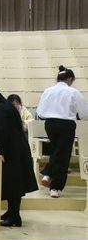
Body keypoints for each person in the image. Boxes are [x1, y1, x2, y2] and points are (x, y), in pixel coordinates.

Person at [0, 86, 37, 227]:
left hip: (11, 152)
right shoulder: (6, 106)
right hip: (15, 150)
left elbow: (3, 132)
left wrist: (0, 152)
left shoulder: (1, 109)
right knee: (12, 183)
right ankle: (11, 212)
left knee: (13, 184)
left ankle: (15, 216)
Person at [36, 66, 88, 198]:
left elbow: (40, 112)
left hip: (50, 124)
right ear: (70, 79)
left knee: (56, 150)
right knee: (63, 155)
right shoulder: (73, 92)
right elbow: (84, 113)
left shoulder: (47, 91)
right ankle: (55, 187)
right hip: (66, 125)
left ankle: (48, 173)